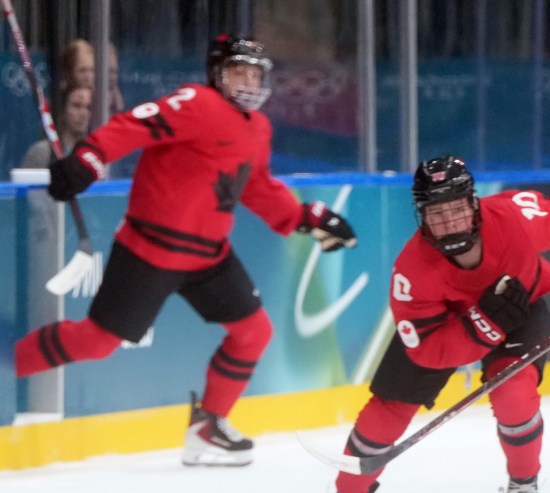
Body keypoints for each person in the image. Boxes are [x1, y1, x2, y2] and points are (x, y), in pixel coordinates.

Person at [14, 33, 357, 467]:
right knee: (97, 343)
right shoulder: (197, 103)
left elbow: (256, 187)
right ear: (217, 73)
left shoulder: (258, 128)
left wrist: (304, 217)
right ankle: (11, 363)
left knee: (254, 331)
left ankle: (208, 426)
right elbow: (133, 124)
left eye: (255, 73)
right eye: (239, 72)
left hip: (209, 255)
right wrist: (90, 158)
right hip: (149, 249)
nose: (249, 81)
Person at [290, 155, 550, 493]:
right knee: (386, 409)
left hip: (519, 310)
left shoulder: (515, 219)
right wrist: (482, 325)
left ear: (473, 204)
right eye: (437, 214)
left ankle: (523, 485)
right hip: (446, 327)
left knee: (513, 393)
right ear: (422, 216)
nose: (450, 221)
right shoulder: (412, 271)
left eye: (457, 208)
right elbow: (426, 351)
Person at [19, 84, 92, 168]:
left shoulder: (94, 155)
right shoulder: (42, 152)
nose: (83, 113)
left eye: (88, 107)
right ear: (63, 109)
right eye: (76, 106)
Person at [60, 38, 124, 114]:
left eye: (92, 70)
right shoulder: (63, 100)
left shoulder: (107, 94)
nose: (88, 77)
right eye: (82, 71)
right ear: (69, 74)